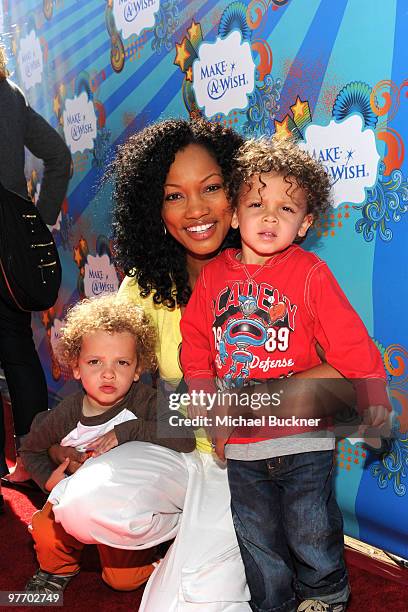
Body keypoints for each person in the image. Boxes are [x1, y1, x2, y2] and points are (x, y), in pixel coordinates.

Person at [46, 119, 349, 612]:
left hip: (254, 469)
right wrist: (80, 439)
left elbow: (344, 386)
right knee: (80, 501)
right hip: (182, 455)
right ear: (154, 208)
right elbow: (110, 377)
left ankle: (227, 549)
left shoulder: (288, 274)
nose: (196, 210)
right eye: (173, 195)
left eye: (211, 188)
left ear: (238, 193)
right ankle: (182, 540)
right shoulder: (142, 288)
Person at [180, 136, 391, 612]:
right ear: (234, 213)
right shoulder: (213, 276)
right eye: (256, 204)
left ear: (305, 223)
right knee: (256, 537)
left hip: (304, 439)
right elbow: (194, 343)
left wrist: (373, 399)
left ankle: (325, 597)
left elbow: (351, 343)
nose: (270, 217)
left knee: (311, 529)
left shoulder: (310, 273)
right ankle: (271, 604)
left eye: (286, 208)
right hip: (243, 444)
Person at [19, 293, 195, 593]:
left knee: (122, 581)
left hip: (123, 507)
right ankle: (59, 570)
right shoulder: (67, 413)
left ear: (138, 369)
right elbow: (29, 449)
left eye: (122, 362)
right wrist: (48, 481)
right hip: (76, 495)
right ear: (76, 367)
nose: (109, 373)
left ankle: (166, 552)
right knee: (47, 531)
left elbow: (186, 438)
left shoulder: (143, 400)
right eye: (95, 362)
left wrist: (129, 430)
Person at [0, 45, 72, 509]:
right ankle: (28, 462)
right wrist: (35, 219)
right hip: (10, 246)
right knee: (18, 352)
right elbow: (60, 158)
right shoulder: (9, 94)